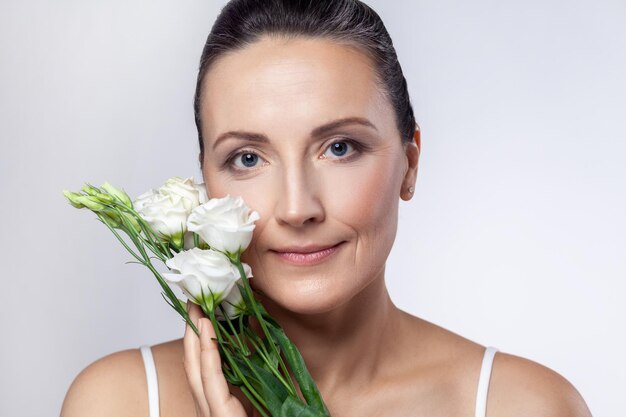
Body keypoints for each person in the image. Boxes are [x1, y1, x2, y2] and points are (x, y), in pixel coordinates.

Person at [60, 1, 592, 416]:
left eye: (340, 148)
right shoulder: (120, 402)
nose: (297, 208)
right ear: (206, 182)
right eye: (248, 158)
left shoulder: (523, 406)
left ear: (410, 163)